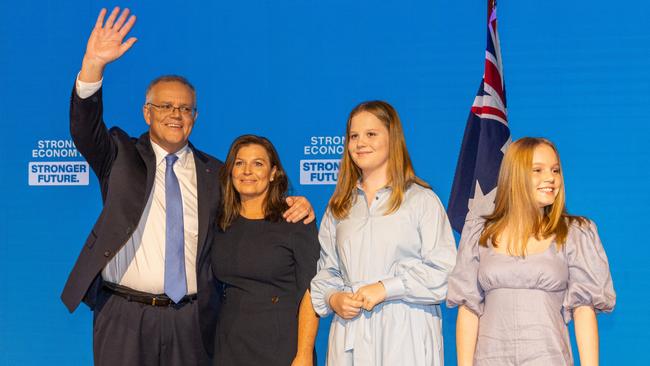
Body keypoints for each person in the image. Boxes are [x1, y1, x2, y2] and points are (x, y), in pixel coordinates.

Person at [60, 7, 314, 366]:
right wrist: (93, 66)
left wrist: (295, 204)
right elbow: (84, 128)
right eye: (165, 106)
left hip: (192, 322)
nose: (175, 114)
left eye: (185, 108)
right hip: (123, 315)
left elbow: (255, 206)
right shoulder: (119, 154)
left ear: (195, 117)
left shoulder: (218, 172)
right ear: (147, 113)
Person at [310, 101, 457, 365]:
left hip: (406, 332)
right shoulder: (339, 207)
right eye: (353, 136)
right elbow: (327, 271)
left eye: (371, 134)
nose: (360, 143)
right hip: (350, 336)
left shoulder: (421, 200)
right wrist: (334, 298)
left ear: (393, 138)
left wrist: (386, 288)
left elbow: (444, 272)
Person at [447, 137, 616, 366]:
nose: (551, 178)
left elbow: (583, 310)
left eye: (555, 170)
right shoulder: (478, 233)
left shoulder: (575, 232)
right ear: (514, 175)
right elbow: (468, 309)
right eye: (538, 170)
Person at [212, 135, 320, 366]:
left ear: (273, 173)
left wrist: (304, 354)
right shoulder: (220, 221)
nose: (247, 171)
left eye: (258, 163)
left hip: (280, 346)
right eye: (239, 163)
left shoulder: (295, 220)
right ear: (230, 171)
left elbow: (312, 292)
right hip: (229, 345)